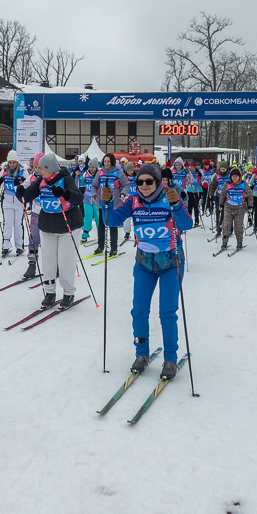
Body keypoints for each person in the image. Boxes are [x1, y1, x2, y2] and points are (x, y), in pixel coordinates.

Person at [104, 162, 193, 381]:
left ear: (157, 182)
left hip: (171, 263)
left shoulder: (170, 198)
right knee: (139, 311)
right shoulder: (134, 201)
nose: (144, 185)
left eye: (149, 181)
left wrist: (178, 206)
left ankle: (170, 358)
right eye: (140, 182)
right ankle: (141, 354)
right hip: (144, 264)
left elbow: (186, 224)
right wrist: (107, 202)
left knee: (167, 312)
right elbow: (111, 220)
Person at [17, 152, 84, 310]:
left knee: (65, 261)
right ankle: (50, 292)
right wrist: (21, 193)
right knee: (48, 262)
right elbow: (29, 194)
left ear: (50, 169)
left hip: (69, 228)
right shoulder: (42, 181)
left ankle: (68, 293)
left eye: (41, 168)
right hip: (47, 227)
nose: (38, 171)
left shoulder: (65, 178)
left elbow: (78, 198)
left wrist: (64, 193)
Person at [0, 150, 26, 257]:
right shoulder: (4, 171)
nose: (12, 164)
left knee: (17, 224)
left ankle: (19, 246)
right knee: (7, 223)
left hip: (18, 201)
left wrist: (20, 183)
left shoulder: (22, 171)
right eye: (10, 162)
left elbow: (28, 184)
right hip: (7, 200)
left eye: (14, 162)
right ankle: (5, 246)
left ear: (17, 162)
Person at [94, 153, 123, 256]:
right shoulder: (100, 172)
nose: (106, 163)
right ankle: (100, 246)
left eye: (108, 161)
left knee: (112, 225)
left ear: (112, 162)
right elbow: (94, 185)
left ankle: (114, 248)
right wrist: (94, 195)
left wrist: (123, 194)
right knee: (101, 225)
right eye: (105, 161)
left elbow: (126, 184)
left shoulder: (118, 172)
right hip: (102, 203)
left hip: (113, 204)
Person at [21, 153, 44, 281]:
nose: (38, 170)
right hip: (36, 211)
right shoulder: (31, 178)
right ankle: (32, 265)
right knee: (33, 238)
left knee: (49, 241)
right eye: (36, 167)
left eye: (40, 167)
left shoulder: (50, 178)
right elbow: (22, 188)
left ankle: (55, 265)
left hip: (49, 213)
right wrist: (19, 191)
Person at [220, 167, 248, 250]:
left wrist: (250, 206)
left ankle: (239, 242)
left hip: (240, 208)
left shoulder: (244, 184)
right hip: (228, 207)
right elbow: (223, 194)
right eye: (233, 176)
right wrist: (221, 203)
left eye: (236, 176)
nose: (234, 178)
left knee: (238, 226)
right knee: (226, 225)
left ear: (239, 177)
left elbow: (249, 195)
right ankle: (224, 242)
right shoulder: (227, 184)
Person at [80, 160, 99, 243]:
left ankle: (100, 233)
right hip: (87, 198)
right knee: (88, 216)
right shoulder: (85, 174)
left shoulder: (99, 174)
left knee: (98, 217)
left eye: (93, 167)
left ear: (96, 167)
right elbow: (81, 184)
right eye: (90, 167)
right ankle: (85, 233)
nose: (91, 169)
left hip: (97, 198)